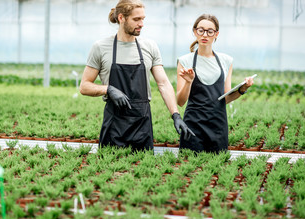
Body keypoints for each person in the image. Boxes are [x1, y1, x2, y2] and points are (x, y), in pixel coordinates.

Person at [80, 0, 194, 152]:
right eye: (136, 19)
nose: (141, 24)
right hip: (114, 125)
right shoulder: (101, 47)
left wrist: (176, 115)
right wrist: (108, 89)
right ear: (121, 18)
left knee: (143, 171)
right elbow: (84, 86)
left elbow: (163, 84)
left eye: (143, 19)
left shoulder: (149, 46)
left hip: (142, 125)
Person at [176, 14, 255, 153]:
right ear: (195, 32)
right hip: (193, 125)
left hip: (217, 126)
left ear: (216, 34)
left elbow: (226, 97)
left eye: (210, 31)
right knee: (190, 170)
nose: (205, 34)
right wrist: (188, 82)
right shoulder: (184, 61)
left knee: (217, 169)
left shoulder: (226, 60)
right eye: (201, 30)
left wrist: (243, 88)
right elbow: (181, 101)